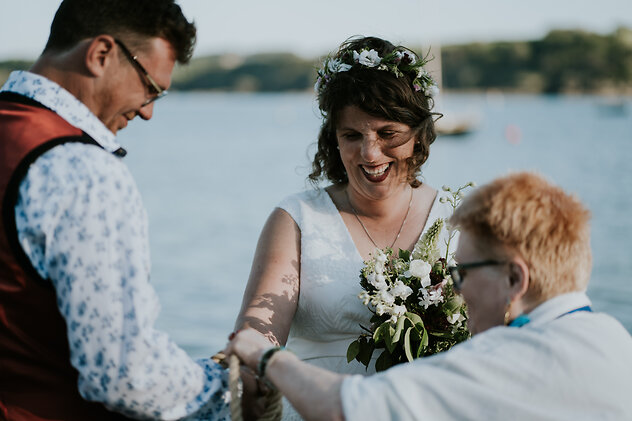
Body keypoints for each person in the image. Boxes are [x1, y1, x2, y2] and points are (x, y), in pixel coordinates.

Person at [227, 171, 632, 420]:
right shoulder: (615, 341)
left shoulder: (497, 364)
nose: (456, 287)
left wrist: (263, 356)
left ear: (514, 279)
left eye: (463, 272)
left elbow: (341, 409)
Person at [0, 1, 230, 420]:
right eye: (149, 87)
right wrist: (233, 390)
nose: (147, 111)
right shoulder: (82, 170)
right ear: (101, 54)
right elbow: (125, 374)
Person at [232, 36, 450, 418]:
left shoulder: (457, 220)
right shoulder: (296, 219)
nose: (369, 153)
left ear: (418, 135)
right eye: (352, 136)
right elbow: (256, 338)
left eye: (387, 134)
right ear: (333, 140)